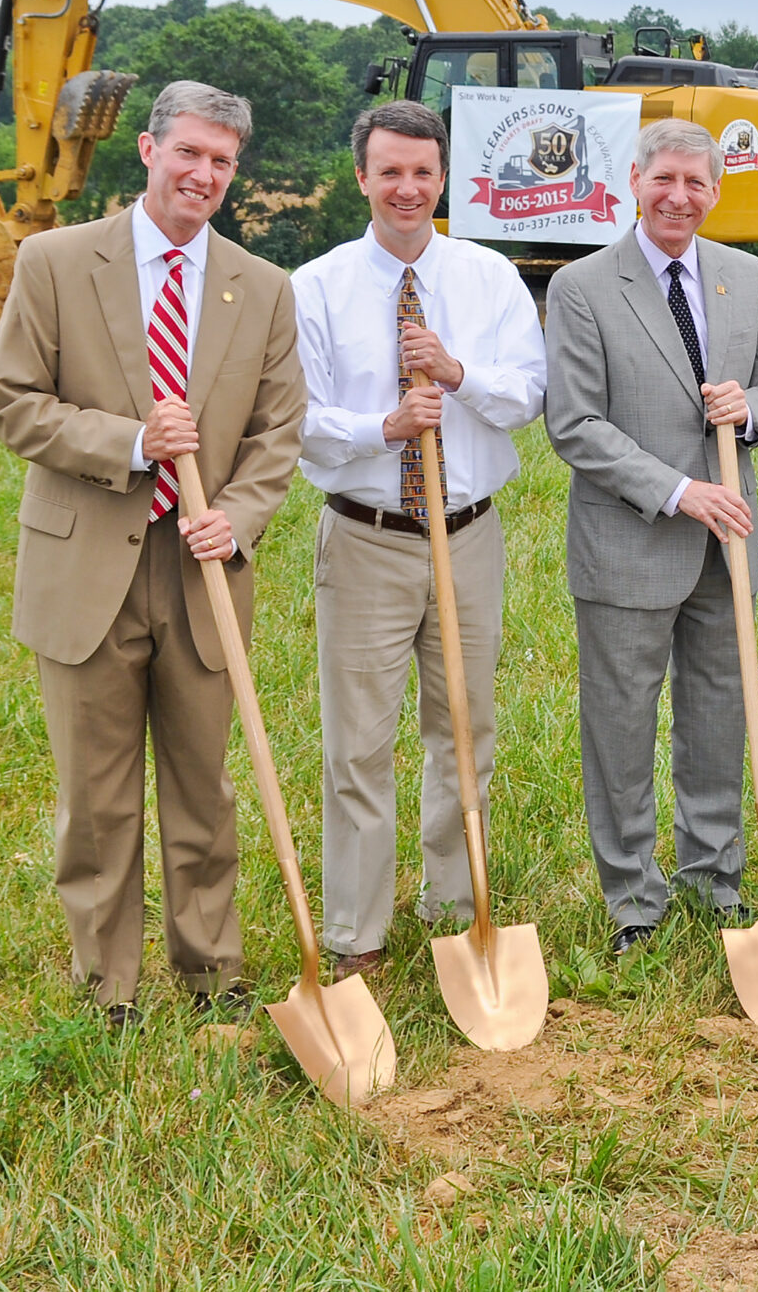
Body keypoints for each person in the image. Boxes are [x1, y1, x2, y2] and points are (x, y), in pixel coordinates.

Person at [0, 80, 307, 1026]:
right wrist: (131, 443)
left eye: (222, 161)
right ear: (150, 152)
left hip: (203, 566)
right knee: (97, 793)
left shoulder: (263, 286)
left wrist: (239, 515)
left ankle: (212, 970)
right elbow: (12, 402)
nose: (204, 174)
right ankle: (107, 987)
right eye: (189, 153)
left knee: (204, 782)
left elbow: (277, 432)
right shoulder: (53, 262)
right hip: (86, 561)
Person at [291, 101, 547, 980]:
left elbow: (529, 394)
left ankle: (455, 913)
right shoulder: (316, 285)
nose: (407, 188)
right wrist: (387, 424)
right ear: (361, 176)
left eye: (423, 172)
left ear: (445, 179)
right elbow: (299, 421)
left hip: (468, 533)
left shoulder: (488, 278)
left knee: (464, 729)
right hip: (366, 536)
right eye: (390, 171)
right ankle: (358, 932)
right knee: (357, 741)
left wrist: (455, 372)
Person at [545, 119, 758, 956]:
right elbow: (575, 424)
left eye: (696, 183)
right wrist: (680, 490)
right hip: (631, 542)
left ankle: (714, 877)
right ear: (635, 180)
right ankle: (633, 899)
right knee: (620, 723)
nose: (679, 197)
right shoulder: (584, 286)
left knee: (719, 713)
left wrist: (751, 412)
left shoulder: (745, 273)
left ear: (716, 191)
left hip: (725, 548)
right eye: (665, 180)